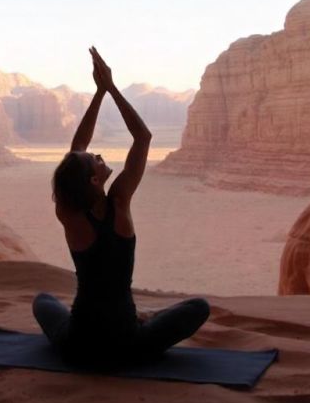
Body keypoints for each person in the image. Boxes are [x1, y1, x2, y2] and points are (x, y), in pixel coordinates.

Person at [32, 47, 210, 369]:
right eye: (96, 160)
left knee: (42, 302)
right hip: (128, 344)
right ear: (94, 180)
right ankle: (144, 320)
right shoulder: (120, 203)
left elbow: (76, 152)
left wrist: (99, 94)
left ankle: (136, 322)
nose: (100, 156)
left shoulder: (70, 214)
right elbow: (142, 137)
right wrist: (110, 88)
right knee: (198, 307)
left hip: (78, 345)